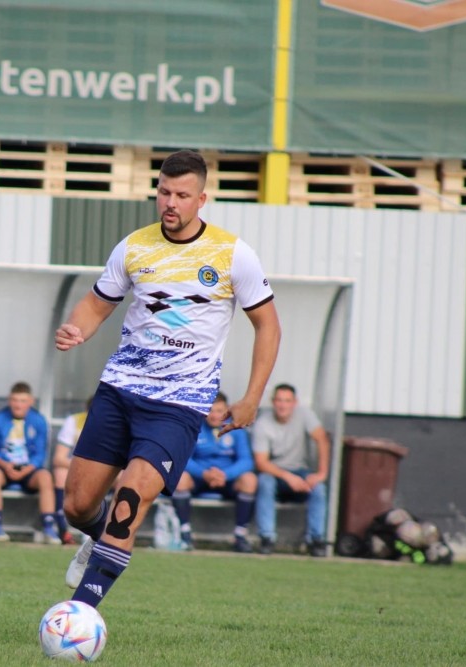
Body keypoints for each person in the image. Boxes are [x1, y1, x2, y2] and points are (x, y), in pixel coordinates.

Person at [53, 149, 281, 605]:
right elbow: (97, 304)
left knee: (130, 499)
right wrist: (77, 328)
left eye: (181, 195)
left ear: (202, 199)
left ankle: (79, 614)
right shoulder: (133, 246)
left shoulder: (233, 254)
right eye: (163, 192)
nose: (170, 203)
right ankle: (97, 540)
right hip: (119, 390)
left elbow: (268, 327)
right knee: (77, 506)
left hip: (179, 403)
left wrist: (252, 397)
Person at [171, 391, 257, 553]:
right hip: (200, 478)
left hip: (226, 479)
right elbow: (184, 459)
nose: (214, 415)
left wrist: (225, 475)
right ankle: (184, 533)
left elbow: (247, 461)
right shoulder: (195, 427)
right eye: (210, 410)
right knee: (181, 479)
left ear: (227, 410)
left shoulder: (236, 428)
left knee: (249, 480)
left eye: (219, 411)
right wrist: (204, 473)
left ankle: (240, 536)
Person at [251, 383, 331, 557]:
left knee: (318, 488)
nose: (283, 405)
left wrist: (321, 473)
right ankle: (267, 538)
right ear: (273, 402)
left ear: (295, 403)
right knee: (264, 482)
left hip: (300, 472)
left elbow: (322, 439)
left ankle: (316, 540)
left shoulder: (305, 414)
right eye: (279, 400)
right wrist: (288, 477)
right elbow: (261, 463)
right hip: (275, 473)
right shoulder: (263, 423)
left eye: (287, 401)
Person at [0, 381, 60, 544]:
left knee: (46, 477)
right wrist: (5, 465)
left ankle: (48, 528)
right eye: (15, 400)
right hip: (4, 468)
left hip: (29, 470)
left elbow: (40, 453)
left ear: (31, 401)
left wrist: (27, 469)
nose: (18, 405)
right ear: (9, 400)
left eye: (23, 401)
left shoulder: (38, 420)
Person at [51, 397, 93, 545]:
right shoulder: (74, 421)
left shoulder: (116, 424)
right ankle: (62, 530)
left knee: (122, 477)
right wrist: (83, 467)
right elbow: (58, 458)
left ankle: (114, 534)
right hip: (79, 469)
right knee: (60, 473)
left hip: (106, 472)